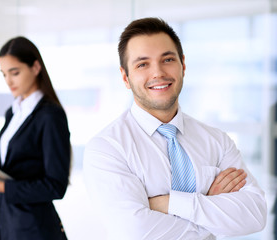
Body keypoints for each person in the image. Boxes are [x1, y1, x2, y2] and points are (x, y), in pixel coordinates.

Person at [83, 17, 267, 239]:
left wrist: (169, 203)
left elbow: (255, 214)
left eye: (167, 59)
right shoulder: (107, 148)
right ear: (125, 77)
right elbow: (135, 232)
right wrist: (209, 206)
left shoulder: (217, 140)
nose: (158, 73)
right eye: (142, 64)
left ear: (183, 66)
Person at [0, 36, 71, 240]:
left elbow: (56, 186)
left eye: (15, 72)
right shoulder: (12, 113)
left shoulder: (50, 115)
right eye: (4, 74)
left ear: (36, 67)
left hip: (34, 228)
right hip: (7, 222)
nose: (8, 81)